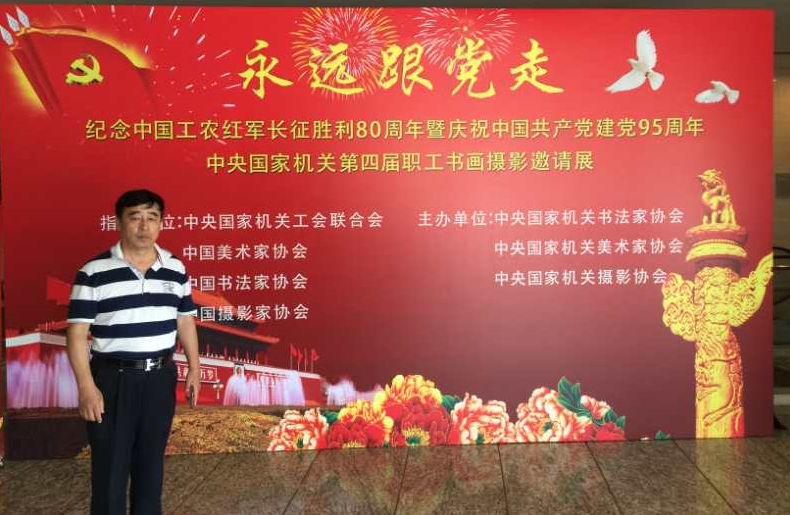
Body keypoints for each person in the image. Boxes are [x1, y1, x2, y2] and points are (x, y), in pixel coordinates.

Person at [66, 189, 201, 515]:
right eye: (135, 217)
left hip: (160, 378)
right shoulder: (94, 271)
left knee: (151, 466)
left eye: (152, 218)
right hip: (112, 380)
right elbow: (77, 333)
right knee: (110, 471)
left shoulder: (175, 268)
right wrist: (86, 386)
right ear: (118, 222)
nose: (144, 226)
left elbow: (185, 321)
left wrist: (194, 368)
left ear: (161, 224)